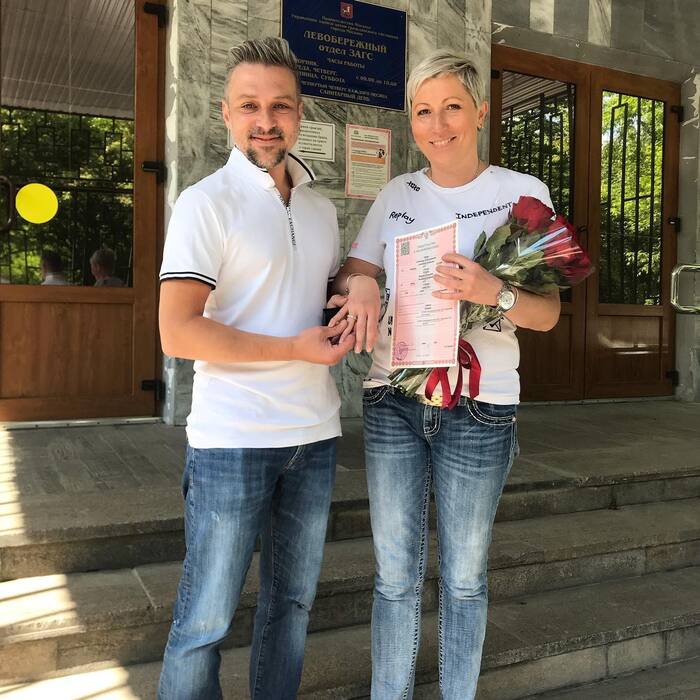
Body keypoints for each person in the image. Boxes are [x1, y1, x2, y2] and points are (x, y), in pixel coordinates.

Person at [331, 50, 561, 699]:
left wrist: (494, 291)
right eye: (423, 111)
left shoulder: (523, 195)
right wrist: (360, 285)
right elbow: (353, 275)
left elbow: (547, 315)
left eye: (452, 107)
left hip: (479, 406)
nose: (437, 125)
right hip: (393, 398)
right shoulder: (396, 194)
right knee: (393, 579)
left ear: (480, 112)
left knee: (462, 579)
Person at [157, 37, 353, 700]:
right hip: (232, 440)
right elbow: (178, 331)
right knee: (204, 623)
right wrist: (294, 349)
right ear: (225, 112)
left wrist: (359, 289)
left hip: (315, 434)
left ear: (300, 112)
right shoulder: (204, 203)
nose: (265, 120)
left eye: (280, 105)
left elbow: (320, 294)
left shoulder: (321, 207)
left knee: (291, 610)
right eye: (249, 105)